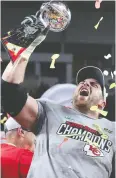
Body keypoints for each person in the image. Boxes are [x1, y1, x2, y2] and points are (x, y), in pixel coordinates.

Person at [1, 18, 115, 178]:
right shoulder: (51, 111)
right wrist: (26, 49)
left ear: (102, 104)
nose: (85, 84)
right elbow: (10, 93)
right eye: (82, 82)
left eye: (94, 84)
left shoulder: (112, 131)